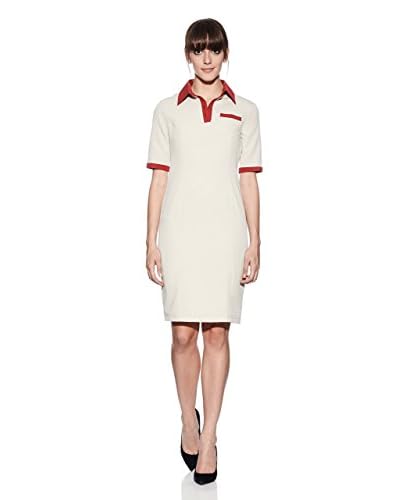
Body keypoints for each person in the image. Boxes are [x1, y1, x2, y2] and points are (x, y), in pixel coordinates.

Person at [145, 18, 262, 485]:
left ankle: (209, 435)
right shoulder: (167, 110)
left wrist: (255, 240)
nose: (207, 57)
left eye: (214, 49)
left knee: (216, 334)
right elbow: (159, 178)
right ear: (188, 55)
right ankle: (187, 419)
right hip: (179, 233)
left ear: (225, 53)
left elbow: (248, 179)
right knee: (181, 335)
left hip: (225, 234)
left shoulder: (245, 110)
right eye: (199, 49)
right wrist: (150, 240)